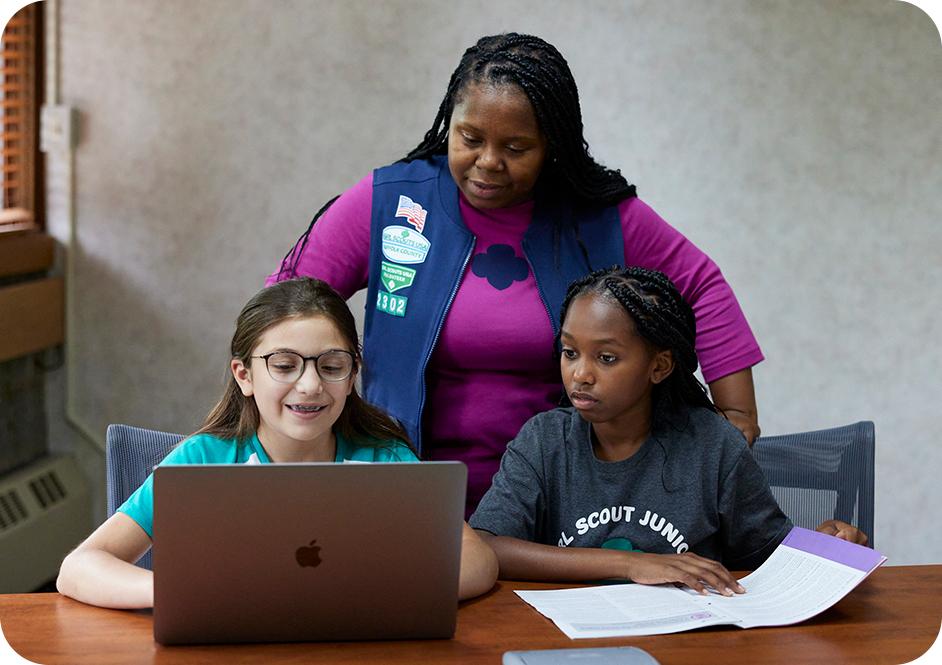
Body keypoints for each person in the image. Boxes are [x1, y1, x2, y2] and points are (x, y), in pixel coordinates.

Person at [268, 33, 764, 514]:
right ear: (450, 125)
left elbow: (700, 286)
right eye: (470, 138)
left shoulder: (597, 217)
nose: (488, 162)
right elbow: (282, 310)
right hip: (402, 494)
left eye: (516, 147)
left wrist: (736, 414)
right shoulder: (394, 202)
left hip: (562, 507)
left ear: (552, 146)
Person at [57, 278, 498, 609]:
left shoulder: (382, 457)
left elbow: (476, 563)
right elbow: (78, 568)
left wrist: (368, 589)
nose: (309, 386)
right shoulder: (203, 460)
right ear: (244, 376)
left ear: (352, 375)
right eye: (284, 365)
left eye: (331, 366)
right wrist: (178, 592)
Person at [468, 266, 866, 594]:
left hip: (687, 641)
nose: (580, 374)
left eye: (606, 358)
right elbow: (487, 546)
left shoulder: (713, 446)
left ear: (659, 366)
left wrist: (826, 545)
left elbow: (768, 557)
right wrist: (633, 564)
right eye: (570, 352)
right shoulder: (544, 440)